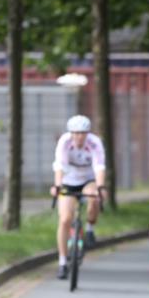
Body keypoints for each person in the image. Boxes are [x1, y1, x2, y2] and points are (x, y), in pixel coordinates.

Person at [52, 115, 106, 279]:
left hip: (89, 179)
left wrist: (101, 187)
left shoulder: (95, 142)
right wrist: (57, 185)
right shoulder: (65, 142)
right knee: (64, 219)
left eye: (82, 133)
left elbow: (99, 166)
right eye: (75, 133)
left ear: (87, 133)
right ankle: (62, 262)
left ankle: (89, 229)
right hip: (69, 180)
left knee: (94, 198)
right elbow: (59, 165)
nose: (79, 137)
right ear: (71, 133)